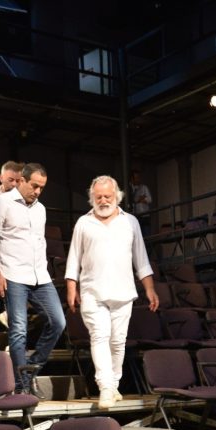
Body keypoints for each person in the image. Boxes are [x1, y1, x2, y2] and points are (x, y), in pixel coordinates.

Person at [65, 175, 158, 409]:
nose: (103, 200)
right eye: (99, 197)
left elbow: (141, 258)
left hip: (123, 291)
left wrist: (150, 289)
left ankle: (113, 384)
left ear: (117, 196)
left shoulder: (131, 222)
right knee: (99, 336)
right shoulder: (83, 223)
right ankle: (105, 387)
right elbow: (73, 259)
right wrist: (71, 288)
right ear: (92, 198)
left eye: (108, 196)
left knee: (118, 342)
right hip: (91, 292)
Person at [0, 163, 65, 396]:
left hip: (40, 275)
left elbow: (39, 242)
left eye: (42, 187)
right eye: (34, 185)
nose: (38, 191)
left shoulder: (40, 209)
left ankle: (30, 373)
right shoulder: (2, 202)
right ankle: (21, 385)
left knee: (58, 322)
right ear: (21, 180)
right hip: (13, 273)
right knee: (18, 329)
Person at [0, 161, 23, 326]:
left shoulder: (21, 201)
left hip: (11, 251)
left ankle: (9, 314)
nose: (14, 184)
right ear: (1, 178)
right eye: (10, 180)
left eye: (17, 180)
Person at [130, 169, 153, 237]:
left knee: (147, 236)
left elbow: (149, 199)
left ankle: (148, 247)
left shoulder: (144, 187)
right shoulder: (130, 189)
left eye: (138, 177)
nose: (138, 179)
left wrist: (139, 200)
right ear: (132, 179)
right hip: (135, 216)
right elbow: (132, 200)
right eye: (136, 178)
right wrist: (140, 199)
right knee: (138, 237)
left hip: (145, 215)